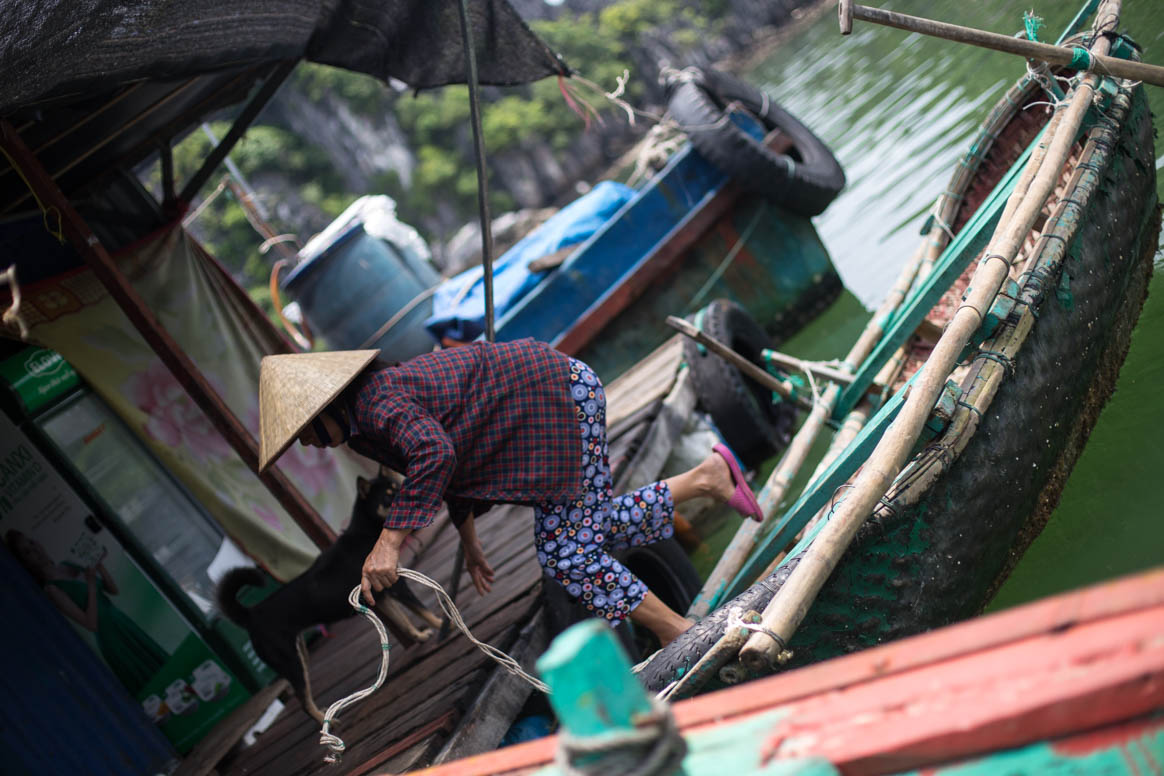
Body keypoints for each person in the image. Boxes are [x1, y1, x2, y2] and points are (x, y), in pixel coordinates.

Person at [257, 339, 763, 646]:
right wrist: (471, 542)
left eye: (305, 432)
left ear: (327, 406)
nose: (308, 444)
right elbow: (447, 460)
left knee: (566, 553)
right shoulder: (370, 419)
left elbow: (434, 454)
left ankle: (674, 629)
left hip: (555, 401)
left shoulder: (375, 404)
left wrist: (388, 542)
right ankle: (706, 479)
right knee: (590, 527)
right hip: (555, 399)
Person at [5, 529, 169, 696]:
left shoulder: (67, 564)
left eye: (31, 542)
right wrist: (90, 585)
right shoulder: (51, 589)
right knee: (147, 681)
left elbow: (112, 589)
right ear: (25, 562)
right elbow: (90, 624)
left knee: (160, 666)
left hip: (120, 621)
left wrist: (99, 565)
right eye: (27, 552)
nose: (35, 550)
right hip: (110, 637)